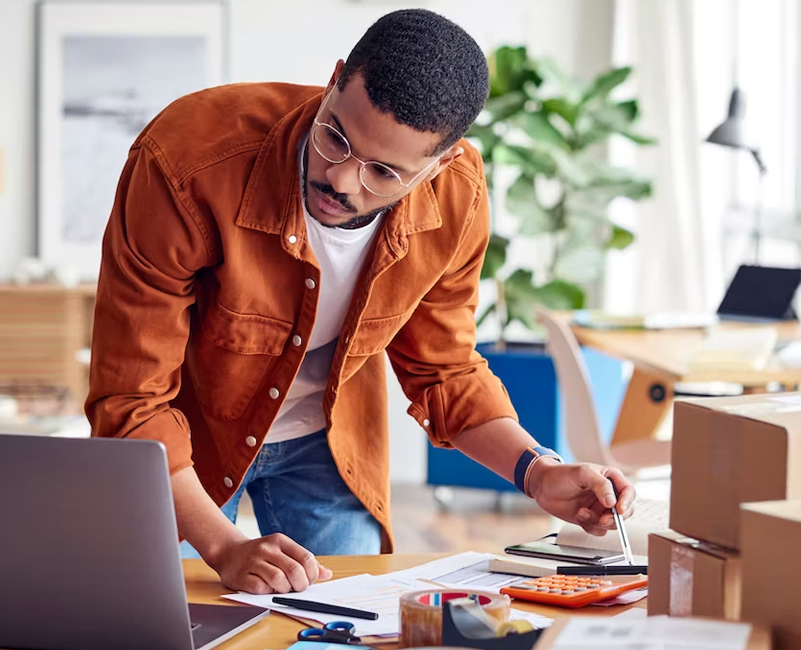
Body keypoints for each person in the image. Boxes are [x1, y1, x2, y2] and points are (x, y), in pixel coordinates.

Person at [86, 8, 637, 596]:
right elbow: (130, 400)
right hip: (181, 448)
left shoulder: (457, 195)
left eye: (382, 171)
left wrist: (539, 472)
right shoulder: (187, 162)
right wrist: (222, 545)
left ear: (439, 164)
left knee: (336, 625)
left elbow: (444, 370)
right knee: (146, 616)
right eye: (336, 138)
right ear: (335, 79)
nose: (343, 180)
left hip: (332, 442)